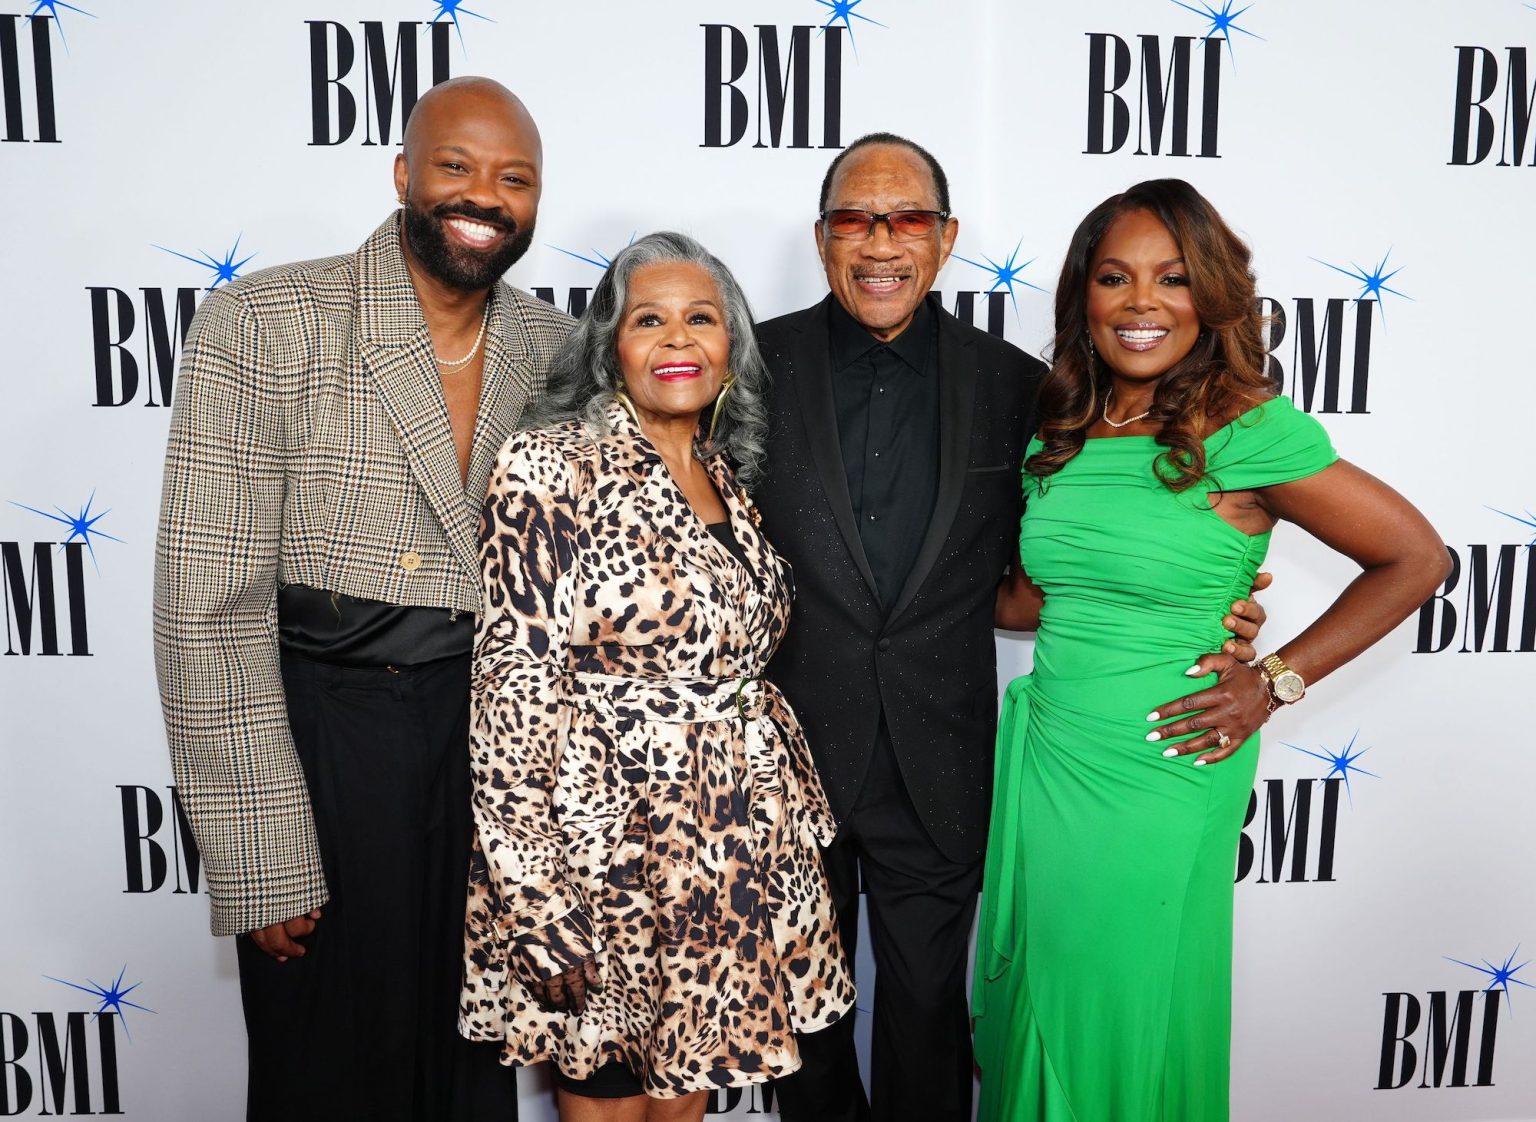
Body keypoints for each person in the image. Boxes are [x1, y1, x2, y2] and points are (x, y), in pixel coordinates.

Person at [753, 135, 1271, 1122]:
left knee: (927, 1015)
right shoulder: (748, 362)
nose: (880, 243)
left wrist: (1217, 608)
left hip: (942, 758)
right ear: (824, 239)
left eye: (907, 219)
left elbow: (1075, 555)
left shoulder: (1020, 391)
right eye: (855, 220)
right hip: (787, 758)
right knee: (799, 1024)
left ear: (945, 239)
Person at [972, 178, 1451, 1121]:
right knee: (1049, 992)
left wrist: (1272, 682)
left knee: (1121, 996)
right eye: (1116, 278)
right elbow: (1032, 601)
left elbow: (1416, 557)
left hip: (1165, 756)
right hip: (1052, 750)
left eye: (1173, 279)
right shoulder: (1061, 425)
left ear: (1213, 298)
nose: (1142, 303)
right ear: (1084, 296)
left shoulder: (1246, 428)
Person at [153, 77, 571, 1121]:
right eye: (457, 166)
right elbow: (210, 602)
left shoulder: (561, 349)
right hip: (326, 744)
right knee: (325, 1075)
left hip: (494, 762)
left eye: (513, 178)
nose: (484, 194)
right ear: (403, 176)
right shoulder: (269, 319)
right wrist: (261, 849)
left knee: (467, 1076)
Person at [460, 232, 856, 1122]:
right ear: (611, 348)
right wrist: (534, 903)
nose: (679, 340)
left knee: (683, 1099)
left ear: (731, 348)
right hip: (603, 856)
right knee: (607, 1096)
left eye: (701, 319)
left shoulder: (722, 475)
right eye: (650, 320)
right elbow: (510, 696)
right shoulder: (548, 466)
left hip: (720, 855)